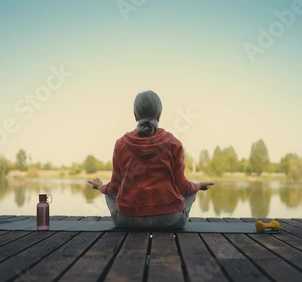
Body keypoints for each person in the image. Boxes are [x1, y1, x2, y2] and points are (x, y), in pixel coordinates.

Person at [88, 90, 213, 230]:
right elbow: (182, 187)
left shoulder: (120, 144)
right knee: (191, 191)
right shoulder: (173, 143)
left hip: (127, 220)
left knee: (108, 194)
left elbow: (114, 189)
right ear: (159, 115)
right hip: (170, 220)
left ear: (135, 115)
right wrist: (198, 186)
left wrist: (99, 186)